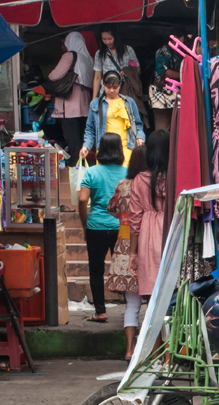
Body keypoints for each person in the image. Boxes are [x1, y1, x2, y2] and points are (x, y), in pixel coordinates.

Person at [78, 133, 128, 323]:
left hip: (96, 226)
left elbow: (83, 199)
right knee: (124, 269)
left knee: (96, 270)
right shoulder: (127, 172)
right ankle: (130, 310)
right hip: (120, 227)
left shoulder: (92, 172)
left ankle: (100, 311)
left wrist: (85, 223)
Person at [106, 145, 146, 360]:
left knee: (132, 304)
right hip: (147, 247)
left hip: (123, 246)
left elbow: (110, 207)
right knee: (153, 304)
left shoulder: (122, 185)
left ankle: (129, 350)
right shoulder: (151, 185)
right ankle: (151, 350)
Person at [128, 130, 170, 307]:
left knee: (153, 298)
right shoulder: (176, 178)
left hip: (148, 234)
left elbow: (134, 220)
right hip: (171, 229)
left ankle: (157, 335)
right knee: (172, 290)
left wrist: (133, 252)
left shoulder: (139, 180)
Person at [81, 71, 145, 166]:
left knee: (125, 178)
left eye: (115, 87)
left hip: (126, 148)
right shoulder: (95, 104)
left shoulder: (129, 102)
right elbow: (90, 129)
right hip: (104, 150)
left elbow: (138, 124)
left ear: (120, 85)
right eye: (108, 87)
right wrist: (86, 146)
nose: (111, 90)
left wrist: (140, 137)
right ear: (103, 85)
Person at [48, 32, 93, 161]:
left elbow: (54, 75)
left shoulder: (69, 55)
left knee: (71, 137)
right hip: (84, 102)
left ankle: (75, 164)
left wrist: (51, 73)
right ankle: (82, 163)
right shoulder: (88, 58)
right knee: (82, 136)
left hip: (70, 104)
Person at [91, 26, 138, 100]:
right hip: (106, 93)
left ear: (116, 37)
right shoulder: (99, 53)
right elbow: (97, 77)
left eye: (110, 39)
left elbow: (138, 70)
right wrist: (94, 99)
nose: (107, 42)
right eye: (104, 39)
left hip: (124, 92)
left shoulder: (128, 50)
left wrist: (127, 72)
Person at [149, 34, 185, 132]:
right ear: (174, 38)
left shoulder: (177, 52)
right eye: (180, 40)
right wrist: (184, 75)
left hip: (176, 91)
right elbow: (165, 72)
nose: (182, 44)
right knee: (163, 127)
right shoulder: (163, 51)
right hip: (162, 93)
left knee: (176, 126)